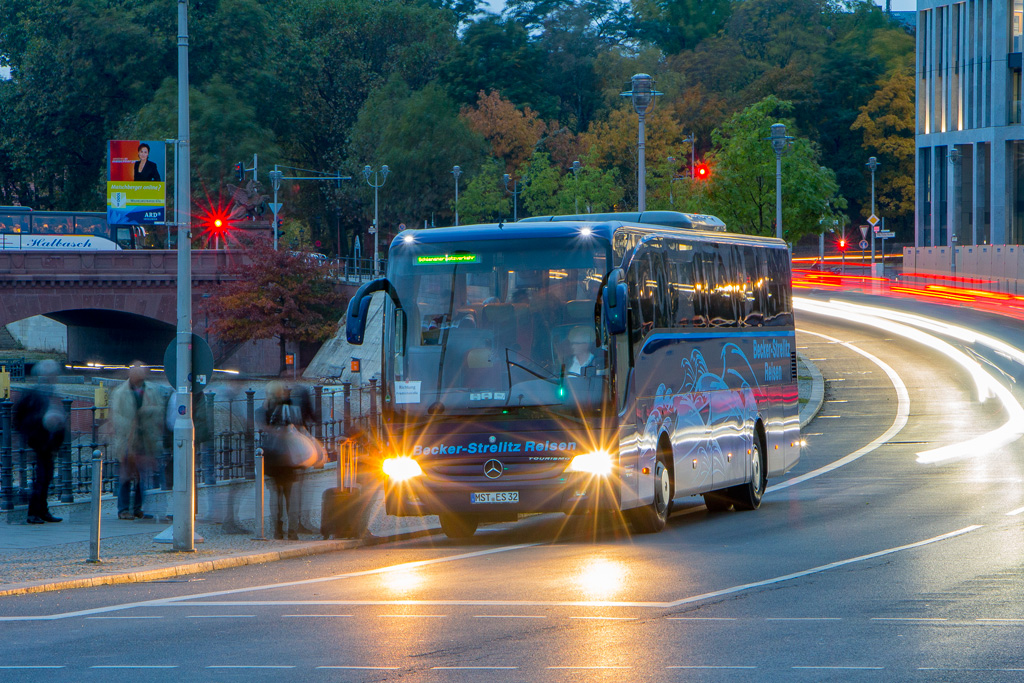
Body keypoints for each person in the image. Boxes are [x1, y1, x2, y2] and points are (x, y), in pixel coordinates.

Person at [12, 360, 67, 524]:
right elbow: (20, 417)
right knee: (41, 478)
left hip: (48, 443)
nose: (53, 378)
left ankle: (43, 510)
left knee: (46, 477)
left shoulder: (50, 393)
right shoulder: (34, 395)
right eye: (51, 375)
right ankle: (33, 512)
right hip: (37, 442)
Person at [110, 362, 163, 520]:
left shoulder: (152, 390)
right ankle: (123, 509)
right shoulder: (120, 392)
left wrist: (148, 412)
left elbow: (159, 409)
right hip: (128, 439)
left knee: (142, 476)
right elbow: (115, 416)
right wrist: (130, 424)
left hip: (145, 439)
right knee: (125, 475)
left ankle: (137, 508)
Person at [260, 381, 303, 539]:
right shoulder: (289, 405)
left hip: (272, 457)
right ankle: (292, 531)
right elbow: (298, 425)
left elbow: (261, 427)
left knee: (274, 495)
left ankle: (277, 529)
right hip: (288, 456)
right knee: (291, 496)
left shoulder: (264, 408)